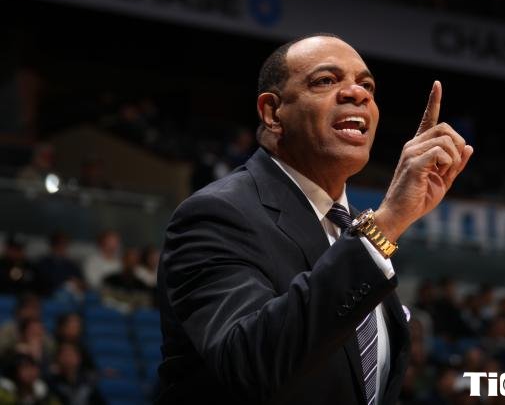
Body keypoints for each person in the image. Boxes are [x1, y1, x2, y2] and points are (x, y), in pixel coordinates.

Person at [157, 33, 473, 405]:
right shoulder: (217, 214)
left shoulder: (354, 232)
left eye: (367, 85)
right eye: (325, 80)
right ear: (273, 113)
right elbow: (250, 364)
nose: (357, 93)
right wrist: (386, 224)